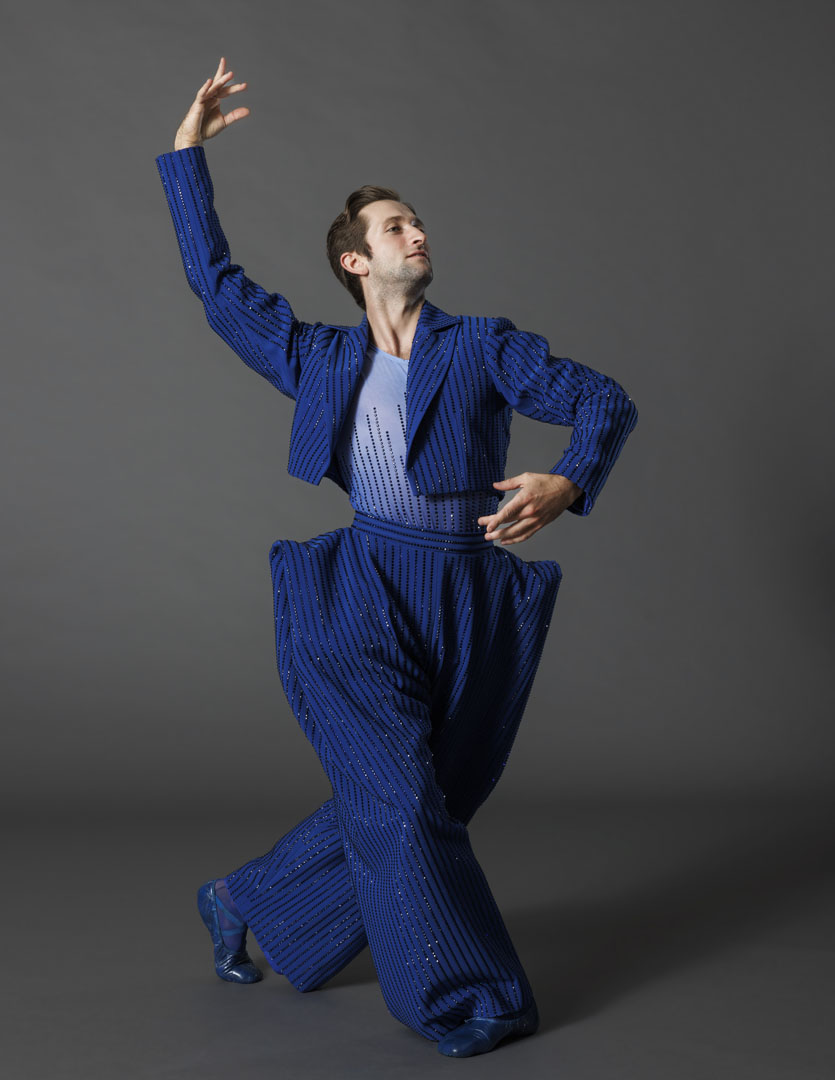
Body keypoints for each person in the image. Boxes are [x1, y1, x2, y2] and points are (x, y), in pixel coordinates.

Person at [155, 56, 638, 1058]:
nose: (415, 233)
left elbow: (603, 399)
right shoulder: (318, 357)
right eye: (392, 227)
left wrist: (568, 480)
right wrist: (185, 155)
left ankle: (239, 898)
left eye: (417, 221)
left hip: (467, 597)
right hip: (359, 595)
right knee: (403, 796)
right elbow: (215, 287)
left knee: (429, 795)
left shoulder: (483, 345)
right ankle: (469, 997)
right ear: (355, 263)